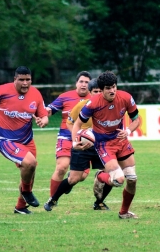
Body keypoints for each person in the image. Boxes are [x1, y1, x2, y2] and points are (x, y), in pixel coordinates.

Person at [70, 71, 140, 219]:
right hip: (104, 145)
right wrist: (75, 142)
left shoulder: (126, 97)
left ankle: (124, 212)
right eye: (108, 88)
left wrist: (128, 131)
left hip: (121, 141)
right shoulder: (93, 103)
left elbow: (136, 120)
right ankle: (101, 177)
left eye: (114, 87)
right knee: (118, 180)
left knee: (132, 179)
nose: (112, 90)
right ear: (101, 90)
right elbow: (77, 124)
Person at [0, 66, 48, 214]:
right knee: (30, 163)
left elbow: (44, 114)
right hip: (6, 140)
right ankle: (27, 191)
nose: (25, 83)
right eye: (21, 80)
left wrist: (44, 120)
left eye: (28, 80)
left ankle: (21, 207)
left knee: (30, 170)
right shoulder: (1, 91)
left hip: (27, 140)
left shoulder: (36, 93)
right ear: (14, 79)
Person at [44, 79, 113, 211]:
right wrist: (78, 138)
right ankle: (53, 199)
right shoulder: (82, 105)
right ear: (90, 92)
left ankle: (99, 202)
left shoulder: (111, 106)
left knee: (112, 174)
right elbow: (70, 123)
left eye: (100, 91)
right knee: (74, 179)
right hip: (83, 146)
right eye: (95, 91)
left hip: (102, 146)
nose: (98, 94)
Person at [46, 71, 92, 197]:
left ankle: (69, 180)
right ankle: (52, 200)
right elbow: (50, 109)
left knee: (81, 176)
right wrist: (45, 113)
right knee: (62, 167)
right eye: (81, 81)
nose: (83, 85)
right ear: (76, 83)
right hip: (66, 137)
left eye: (86, 82)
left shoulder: (94, 99)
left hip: (86, 141)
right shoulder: (65, 96)